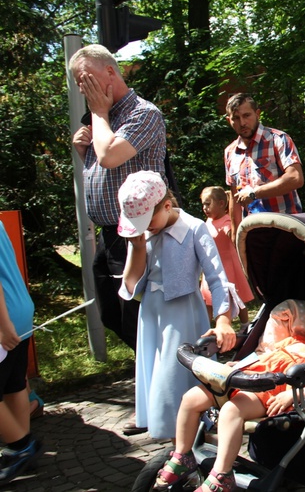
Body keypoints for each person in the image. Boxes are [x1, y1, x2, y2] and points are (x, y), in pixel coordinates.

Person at [152, 313, 305, 492]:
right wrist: (239, 365)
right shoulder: (295, 340)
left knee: (231, 411)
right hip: (245, 377)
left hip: (266, 391)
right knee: (190, 398)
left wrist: (294, 395)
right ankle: (182, 455)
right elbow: (264, 355)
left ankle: (222, 475)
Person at [118, 171, 237, 440]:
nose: (146, 227)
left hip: (184, 316)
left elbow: (217, 277)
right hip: (152, 315)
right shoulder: (143, 233)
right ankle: (178, 448)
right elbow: (131, 284)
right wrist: (137, 249)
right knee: (158, 376)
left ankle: (189, 442)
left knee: (174, 381)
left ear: (167, 206)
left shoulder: (194, 228)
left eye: (149, 221)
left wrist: (222, 319)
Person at [69, 44, 167, 353]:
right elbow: (103, 166)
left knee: (137, 321)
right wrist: (85, 152)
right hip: (108, 235)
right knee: (111, 314)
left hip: (137, 234)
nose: (83, 88)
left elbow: (110, 156)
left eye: (87, 79)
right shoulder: (103, 121)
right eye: (78, 83)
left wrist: (98, 113)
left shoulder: (143, 113)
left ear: (110, 71)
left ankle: (172, 387)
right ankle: (155, 376)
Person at [223, 93, 304, 240]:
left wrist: (255, 193)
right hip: (253, 234)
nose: (242, 122)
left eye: (246, 115)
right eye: (236, 118)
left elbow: (295, 178)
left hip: (285, 229)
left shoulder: (277, 139)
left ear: (257, 114)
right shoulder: (230, 152)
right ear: (229, 120)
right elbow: (235, 198)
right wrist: (235, 233)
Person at [0, 221, 43, 485]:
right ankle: (22, 447)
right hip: (19, 309)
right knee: (14, 384)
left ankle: (20, 448)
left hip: (3, 319)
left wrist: (3, 327)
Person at [199, 186, 254, 329]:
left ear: (221, 204)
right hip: (211, 266)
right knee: (207, 297)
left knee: (234, 297)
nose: (204, 208)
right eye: (203, 204)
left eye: (208, 203)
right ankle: (205, 327)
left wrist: (231, 231)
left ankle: (244, 325)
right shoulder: (208, 222)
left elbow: (232, 234)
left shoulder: (226, 221)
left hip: (227, 267)